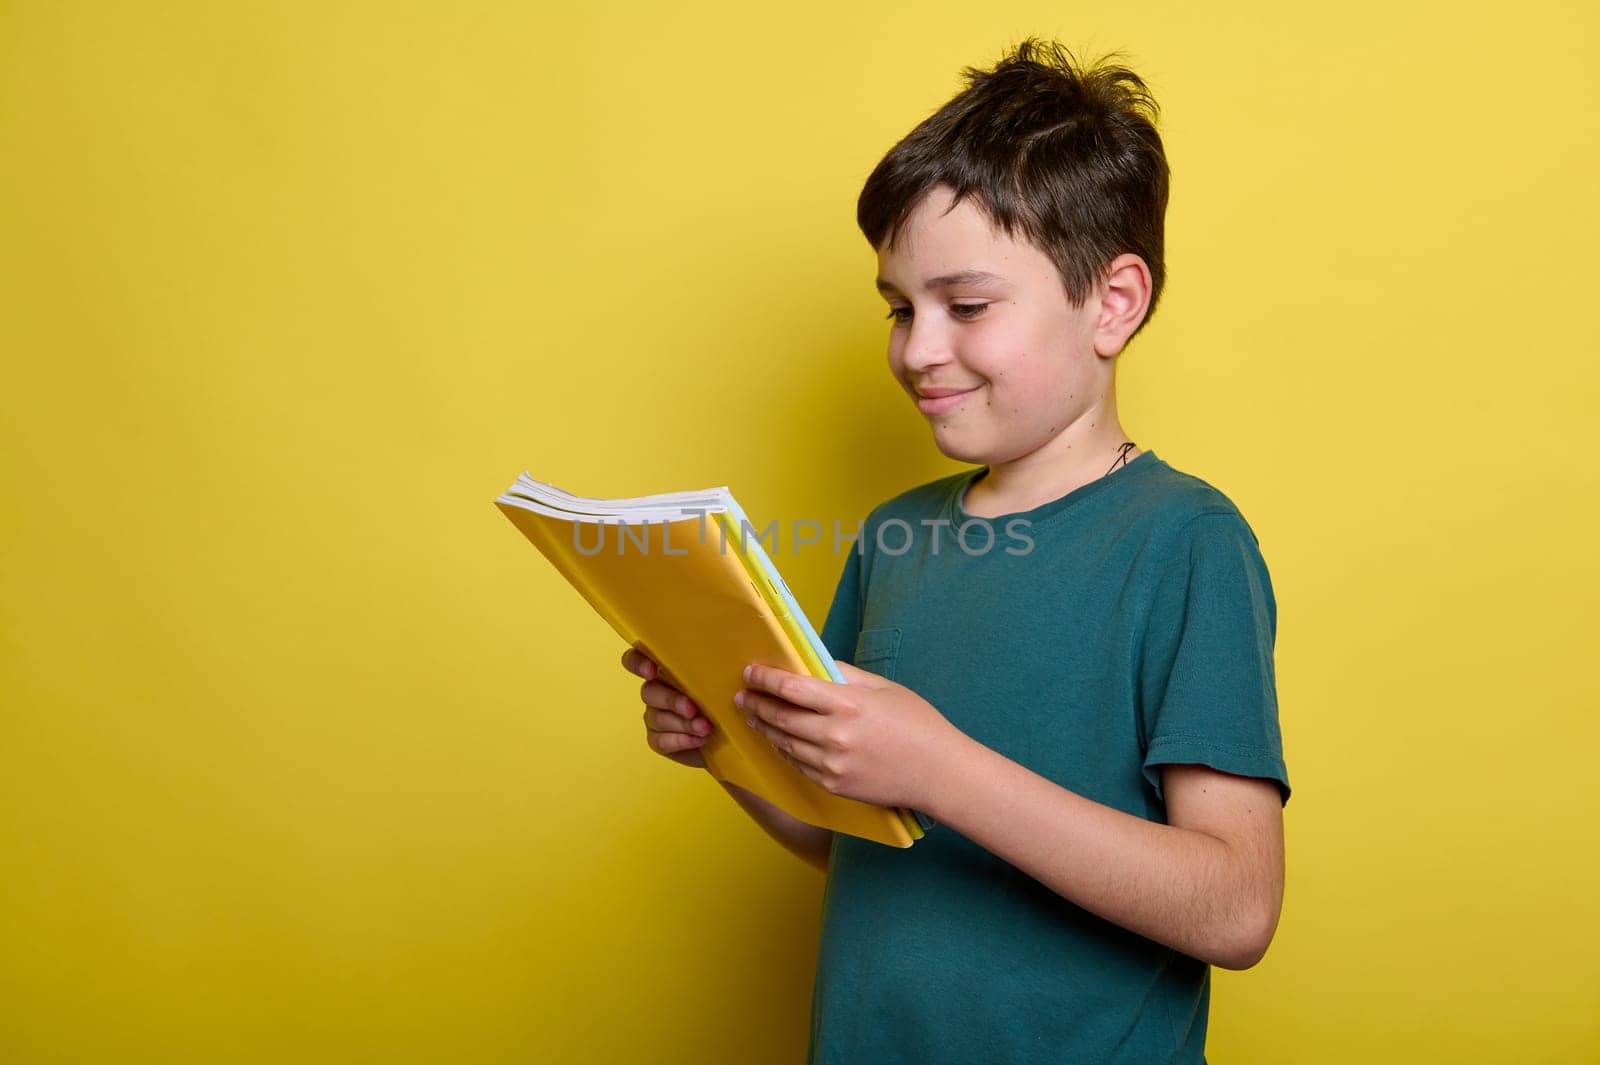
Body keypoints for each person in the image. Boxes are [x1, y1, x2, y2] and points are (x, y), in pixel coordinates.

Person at [621, 37, 1290, 1065]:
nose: (917, 348)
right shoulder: (895, 535)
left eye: (966, 306)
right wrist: (723, 742)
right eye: (898, 308)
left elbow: (1235, 907)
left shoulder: (1185, 542)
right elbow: (848, 836)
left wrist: (941, 768)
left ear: (1113, 302)